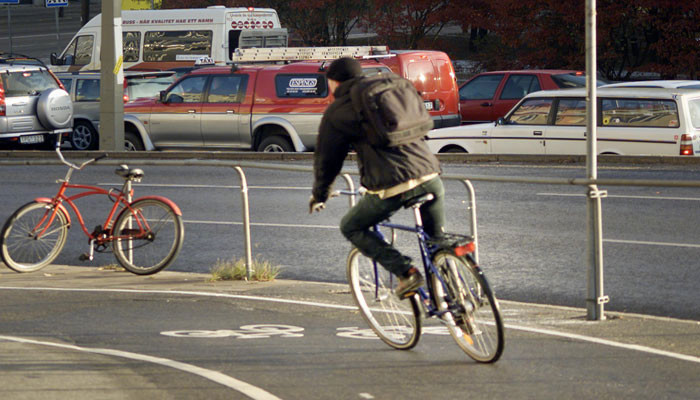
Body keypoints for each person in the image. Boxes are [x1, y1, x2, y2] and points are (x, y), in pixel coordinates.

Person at [309, 57, 446, 299]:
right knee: (436, 243)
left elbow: (328, 160)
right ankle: (452, 299)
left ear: (332, 82)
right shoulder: (390, 89)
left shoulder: (339, 110)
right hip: (430, 173)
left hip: (394, 184)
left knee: (351, 226)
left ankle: (406, 272)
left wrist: (320, 194)